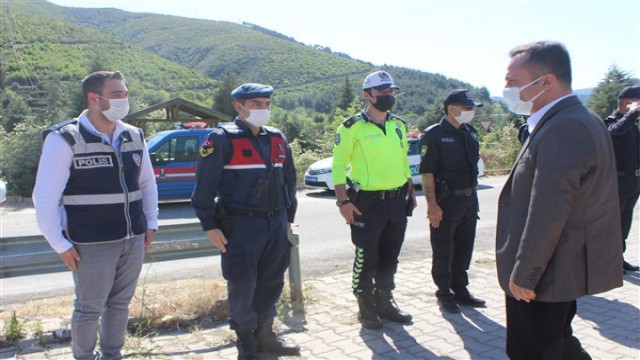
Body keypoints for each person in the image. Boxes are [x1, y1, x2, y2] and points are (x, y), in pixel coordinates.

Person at [496, 41, 623, 359]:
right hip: (554, 269)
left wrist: (526, 273)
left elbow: (548, 208)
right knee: (559, 345)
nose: (506, 88)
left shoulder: (565, 126)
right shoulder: (573, 118)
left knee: (534, 351)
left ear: (546, 81)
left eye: (512, 81)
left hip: (545, 274)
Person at [32, 71, 159, 360]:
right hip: (90, 244)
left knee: (120, 304)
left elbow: (147, 183)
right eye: (117, 95)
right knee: (89, 308)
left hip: (133, 238)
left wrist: (151, 222)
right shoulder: (65, 138)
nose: (124, 100)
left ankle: (113, 355)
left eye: (125, 94)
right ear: (94, 98)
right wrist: (59, 244)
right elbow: (44, 197)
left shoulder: (134, 134)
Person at [191, 83, 299, 359]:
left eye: (266, 103)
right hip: (240, 227)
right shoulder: (220, 139)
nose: (263, 109)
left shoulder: (277, 138)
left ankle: (266, 337)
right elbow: (203, 188)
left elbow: (289, 181)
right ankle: (246, 344)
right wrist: (209, 224)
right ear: (239, 106)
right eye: (256, 104)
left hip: (276, 223)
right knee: (242, 284)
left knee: (272, 282)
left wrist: (289, 218)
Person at [332, 70, 416, 330]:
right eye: (382, 92)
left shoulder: (399, 125)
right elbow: (338, 166)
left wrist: (410, 190)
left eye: (391, 92)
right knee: (366, 255)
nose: (388, 96)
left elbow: (402, 160)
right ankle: (365, 305)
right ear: (367, 95)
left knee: (390, 255)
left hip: (397, 199)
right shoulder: (351, 127)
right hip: (366, 203)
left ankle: (384, 301)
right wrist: (343, 202)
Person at [419, 89, 486, 313]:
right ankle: (444, 292)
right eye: (467, 108)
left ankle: (461, 289)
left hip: (469, 199)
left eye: (471, 108)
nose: (471, 112)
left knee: (464, 248)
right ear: (451, 108)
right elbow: (427, 172)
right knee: (443, 249)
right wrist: (432, 205)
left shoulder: (470, 132)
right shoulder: (434, 134)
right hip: (446, 201)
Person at [603, 85, 640, 273]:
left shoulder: (632, 125)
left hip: (633, 183)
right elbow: (616, 131)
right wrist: (633, 113)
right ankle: (609, 262)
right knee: (613, 224)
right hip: (617, 183)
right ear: (628, 103)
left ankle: (620, 258)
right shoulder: (611, 122)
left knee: (625, 224)